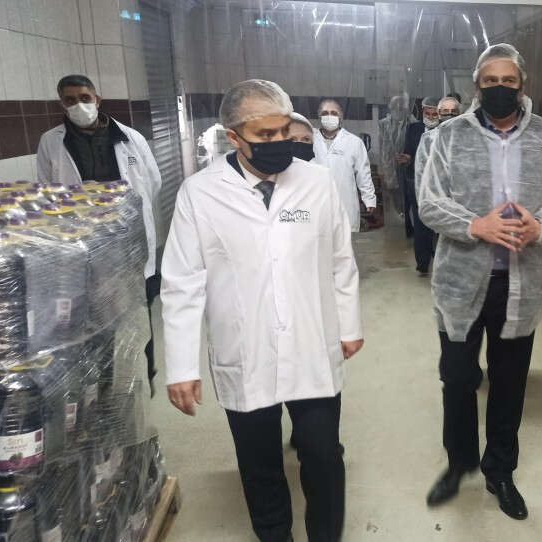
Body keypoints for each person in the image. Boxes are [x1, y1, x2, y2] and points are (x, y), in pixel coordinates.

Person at [161, 80, 363, 542]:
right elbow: (182, 283)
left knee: (323, 455)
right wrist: (181, 367)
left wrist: (349, 325)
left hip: (312, 344)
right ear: (234, 137)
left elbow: (340, 260)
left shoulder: (316, 182)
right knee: (259, 464)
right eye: (265, 136)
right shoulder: (200, 193)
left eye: (284, 131)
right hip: (244, 348)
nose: (280, 143)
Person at [418, 44, 542, 520]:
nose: (500, 89)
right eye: (491, 81)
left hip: (519, 284)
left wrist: (539, 225)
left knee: (509, 384)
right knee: (458, 378)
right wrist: (475, 225)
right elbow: (429, 202)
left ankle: (500, 471)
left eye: (509, 81)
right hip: (461, 282)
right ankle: (459, 464)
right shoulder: (448, 136)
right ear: (477, 86)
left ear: (522, 85)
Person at [35, 74, 163, 390]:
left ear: (97, 99)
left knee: (140, 314)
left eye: (84, 98)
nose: (79, 105)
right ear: (61, 103)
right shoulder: (51, 141)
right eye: (70, 100)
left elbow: (153, 183)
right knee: (95, 321)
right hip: (86, 247)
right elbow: (47, 193)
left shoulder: (131, 138)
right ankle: (104, 387)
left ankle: (145, 377)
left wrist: (128, 219)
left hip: (129, 245)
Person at [312, 99, 376, 232]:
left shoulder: (354, 142)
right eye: (325, 113)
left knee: (344, 238)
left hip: (345, 201)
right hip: (316, 200)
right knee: (317, 237)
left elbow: (363, 173)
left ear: (340, 116)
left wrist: (369, 198)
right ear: (319, 116)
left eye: (334, 113)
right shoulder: (310, 139)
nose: (329, 116)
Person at [401, 97, 440, 274]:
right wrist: (407, 158)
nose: (430, 117)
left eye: (434, 114)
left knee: (438, 222)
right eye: (427, 113)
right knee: (420, 221)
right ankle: (423, 263)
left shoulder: (445, 130)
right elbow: (408, 151)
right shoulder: (414, 129)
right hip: (415, 181)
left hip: (438, 183)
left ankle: (438, 258)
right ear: (422, 111)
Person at [379, 94, 413, 235]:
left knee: (407, 193)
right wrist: (383, 168)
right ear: (390, 107)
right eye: (395, 106)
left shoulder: (411, 122)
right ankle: (400, 217)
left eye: (401, 106)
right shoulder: (383, 124)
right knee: (394, 192)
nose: (398, 109)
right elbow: (382, 146)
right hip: (390, 164)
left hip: (407, 165)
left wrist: (410, 158)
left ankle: (407, 222)